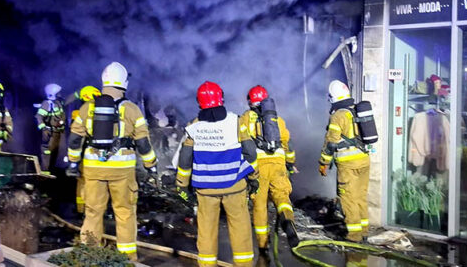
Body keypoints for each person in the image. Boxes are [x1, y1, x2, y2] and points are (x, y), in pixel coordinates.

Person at [66, 62, 157, 260]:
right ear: (124, 82)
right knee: (124, 213)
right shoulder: (132, 110)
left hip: (93, 169)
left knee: (92, 213)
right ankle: (127, 259)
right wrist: (151, 166)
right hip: (122, 172)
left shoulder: (87, 107)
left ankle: (89, 256)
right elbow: (143, 143)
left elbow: (74, 138)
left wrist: (73, 163)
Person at [176, 81, 258, 267]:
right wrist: (253, 177)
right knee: (240, 230)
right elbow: (251, 153)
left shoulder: (193, 126)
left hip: (205, 190)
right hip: (234, 186)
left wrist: (181, 184)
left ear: (199, 102)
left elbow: (185, 159)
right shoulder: (236, 121)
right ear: (221, 98)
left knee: (206, 231)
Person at [238, 85, 299, 250]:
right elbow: (287, 143)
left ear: (250, 101)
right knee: (282, 197)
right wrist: (291, 163)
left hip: (258, 166)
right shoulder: (276, 119)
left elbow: (241, 141)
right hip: (278, 162)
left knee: (259, 205)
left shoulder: (244, 118)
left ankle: (263, 244)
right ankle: (288, 221)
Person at [318, 80, 370, 242]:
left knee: (348, 198)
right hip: (364, 160)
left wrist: (323, 162)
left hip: (348, 164)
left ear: (333, 97)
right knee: (360, 196)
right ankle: (364, 232)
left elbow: (331, 142)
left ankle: (354, 236)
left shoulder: (338, 116)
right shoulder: (355, 111)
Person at [67, 85, 102, 214]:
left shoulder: (80, 112)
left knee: (83, 181)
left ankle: (82, 210)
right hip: (102, 154)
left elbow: (75, 138)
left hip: (85, 152)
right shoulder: (107, 110)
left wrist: (73, 162)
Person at [36, 83, 66, 174]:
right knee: (47, 152)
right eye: (58, 93)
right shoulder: (46, 104)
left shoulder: (58, 103)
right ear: (52, 94)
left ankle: (53, 170)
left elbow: (61, 116)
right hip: (49, 132)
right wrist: (44, 129)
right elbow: (38, 117)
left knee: (56, 152)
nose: (60, 95)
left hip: (58, 132)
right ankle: (44, 172)